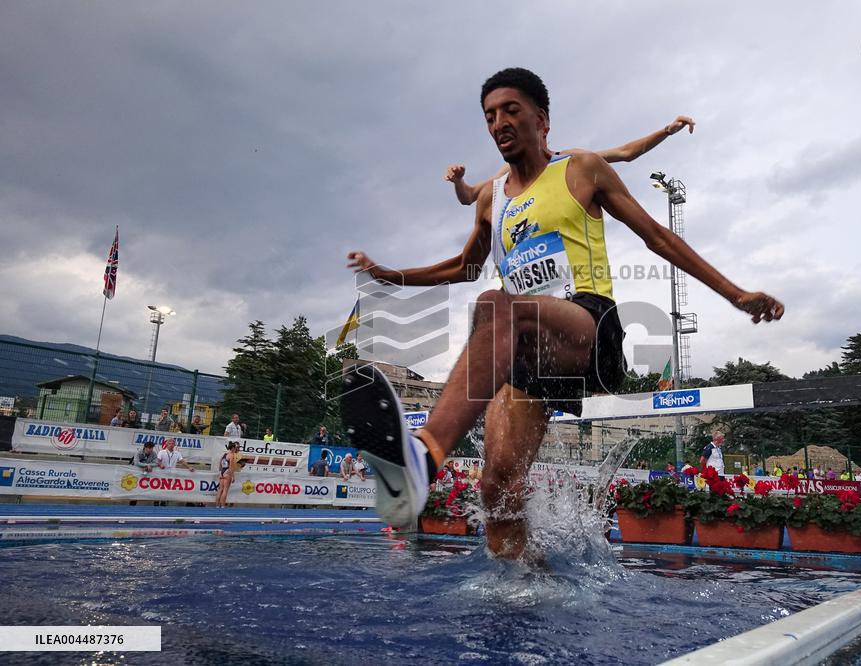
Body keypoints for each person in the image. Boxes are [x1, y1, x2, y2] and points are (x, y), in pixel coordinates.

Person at [343, 67, 782, 560]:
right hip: (525, 349)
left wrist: (735, 294)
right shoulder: (491, 198)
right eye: (490, 116)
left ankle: (423, 456)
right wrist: (388, 274)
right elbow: (464, 267)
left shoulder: (581, 170)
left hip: (588, 331)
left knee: (496, 305)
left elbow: (657, 236)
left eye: (511, 110)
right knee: (497, 486)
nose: (499, 123)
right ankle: (527, 586)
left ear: (542, 119)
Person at [445, 116, 696, 206]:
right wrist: (459, 181)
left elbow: (626, 153)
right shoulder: (508, 173)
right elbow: (469, 197)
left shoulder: (569, 160)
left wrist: (666, 131)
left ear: (544, 129)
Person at [215, 442, 240, 508]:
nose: (236, 449)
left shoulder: (224, 454)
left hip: (222, 472)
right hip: (227, 473)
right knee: (225, 490)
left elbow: (220, 463)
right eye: (235, 448)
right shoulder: (232, 455)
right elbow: (231, 467)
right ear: (233, 448)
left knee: (220, 489)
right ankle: (223, 505)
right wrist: (233, 476)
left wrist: (220, 472)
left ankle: (217, 505)